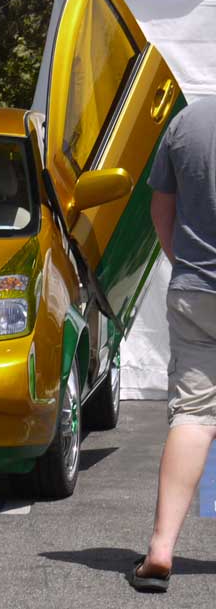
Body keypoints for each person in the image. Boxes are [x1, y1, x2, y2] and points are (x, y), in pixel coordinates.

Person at [129, 95, 216, 592]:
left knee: (195, 418)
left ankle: (161, 550)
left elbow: (161, 210)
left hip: (196, 292)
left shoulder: (187, 123)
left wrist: (184, 267)